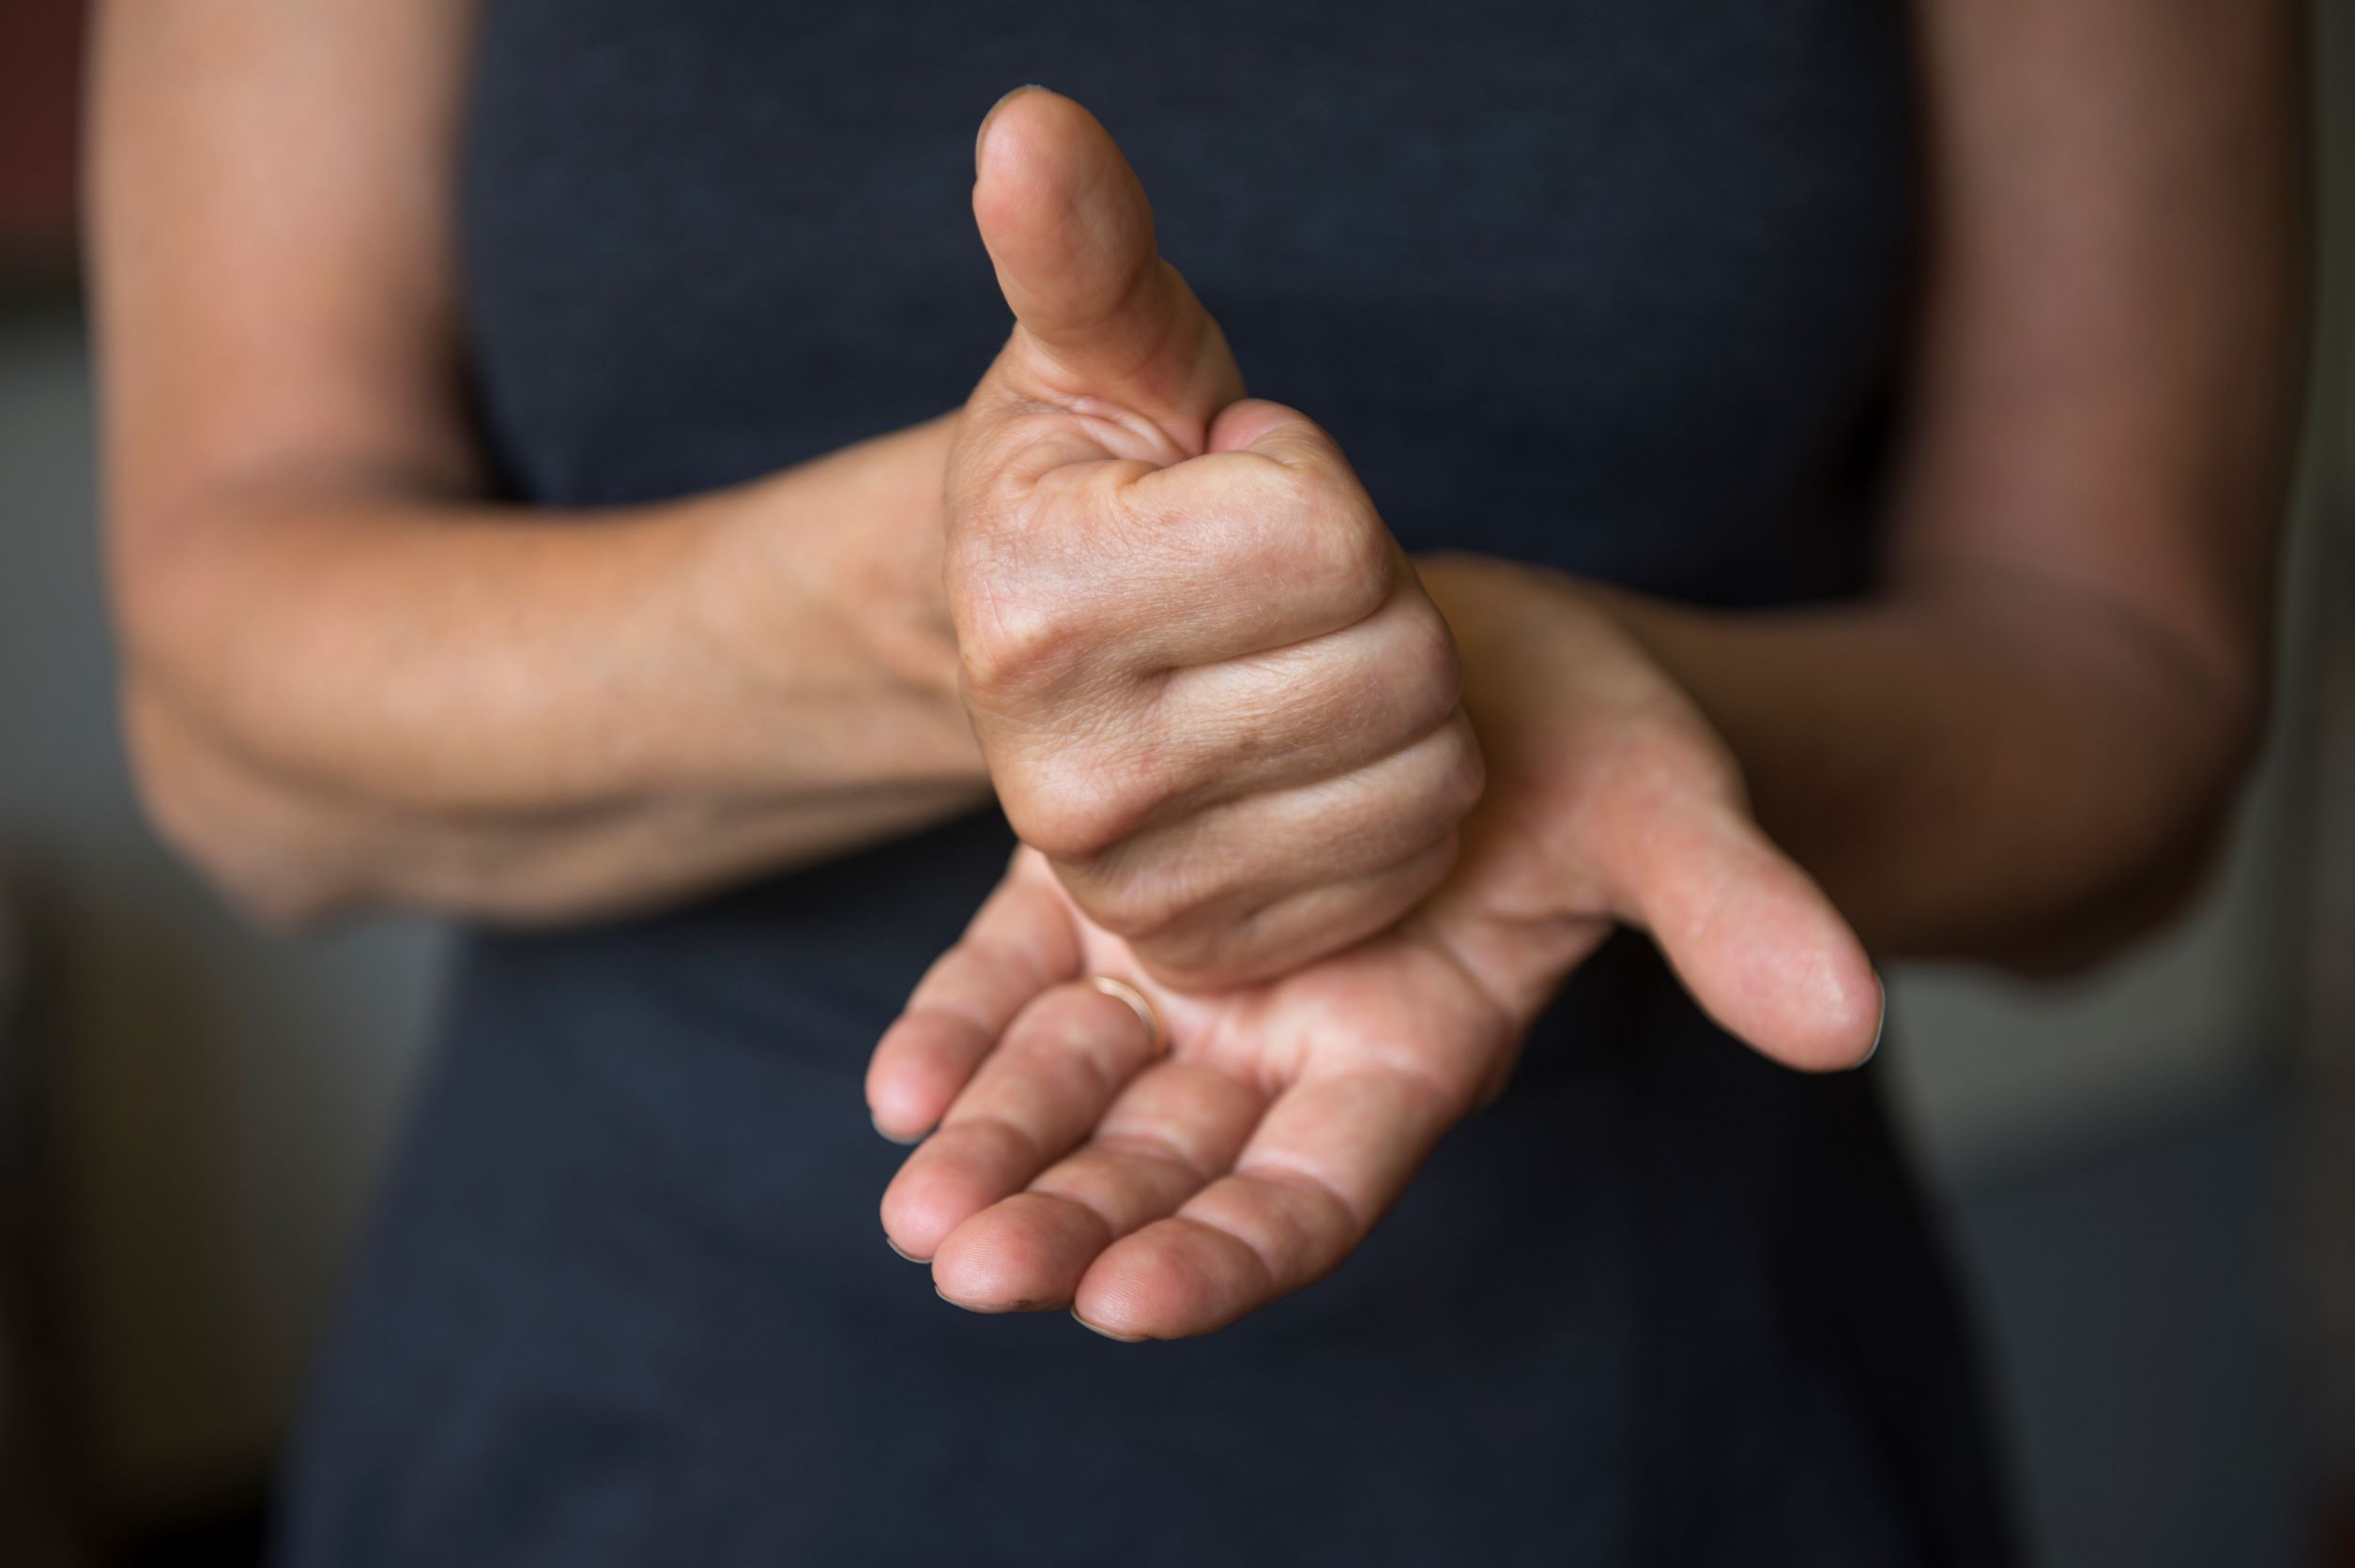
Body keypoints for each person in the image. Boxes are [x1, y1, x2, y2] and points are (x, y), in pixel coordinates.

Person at [90, 2, 2304, 1563]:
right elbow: (234, 717)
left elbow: (2132, 686)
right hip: (648, 1427)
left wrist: (1571, 704)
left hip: (1664, 1426)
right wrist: (925, 609)